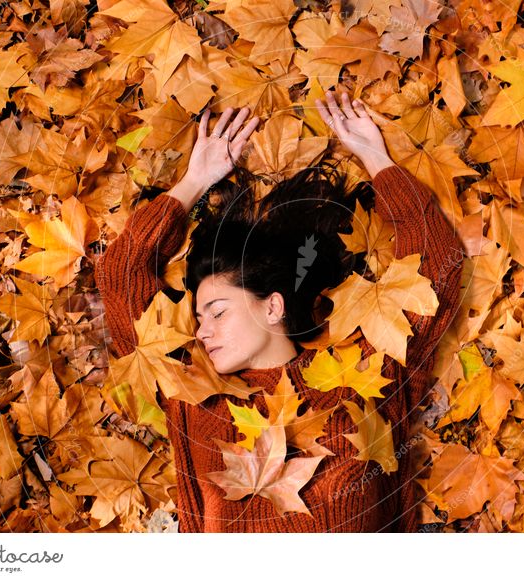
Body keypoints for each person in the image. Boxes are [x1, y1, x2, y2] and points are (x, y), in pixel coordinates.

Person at [95, 90, 464, 532]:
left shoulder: (365, 374)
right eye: (198, 318)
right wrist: (194, 180)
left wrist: (373, 156)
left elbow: (437, 268)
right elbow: (120, 275)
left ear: (271, 306)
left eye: (217, 311)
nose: (202, 331)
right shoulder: (194, 395)